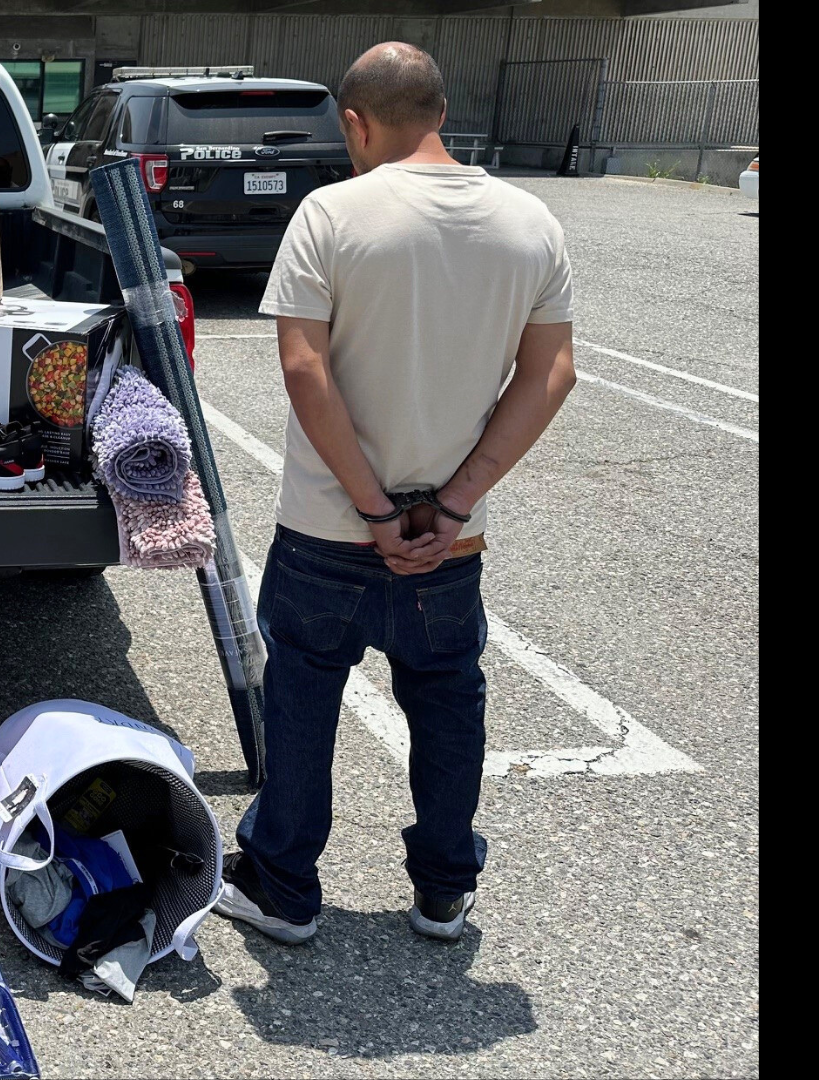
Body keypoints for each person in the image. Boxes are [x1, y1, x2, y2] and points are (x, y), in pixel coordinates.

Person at [217, 42, 577, 945]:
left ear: (356, 123)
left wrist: (373, 508)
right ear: (443, 113)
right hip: (447, 540)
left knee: (302, 701)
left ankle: (283, 889)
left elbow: (305, 371)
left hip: (327, 530)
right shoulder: (531, 223)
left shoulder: (331, 215)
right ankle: (445, 889)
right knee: (448, 701)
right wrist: (451, 504)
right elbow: (552, 376)